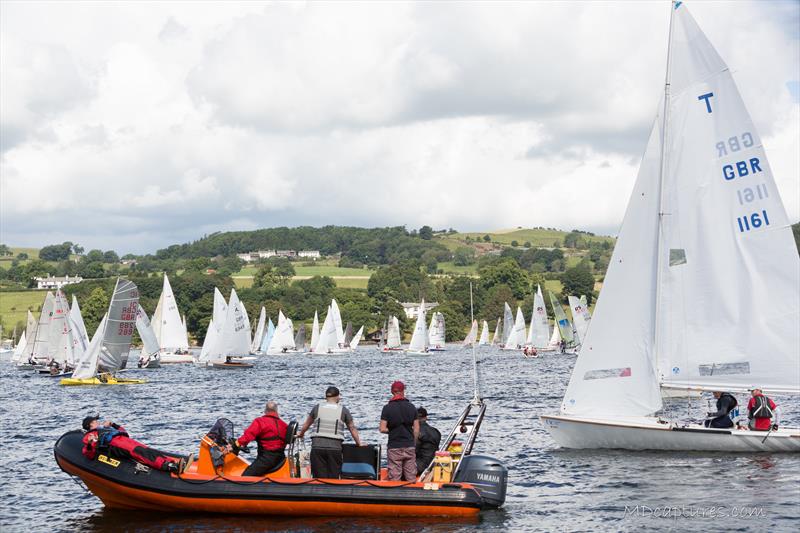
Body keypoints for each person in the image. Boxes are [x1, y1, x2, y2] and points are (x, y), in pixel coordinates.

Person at [296, 386, 363, 479]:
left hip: (317, 447)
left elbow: (306, 425)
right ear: (337, 397)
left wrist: (301, 434)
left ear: (326, 397)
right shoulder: (343, 410)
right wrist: (358, 443)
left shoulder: (317, 408)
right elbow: (352, 428)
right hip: (334, 448)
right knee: (333, 478)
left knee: (318, 478)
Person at [81, 415, 183, 473]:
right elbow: (88, 453)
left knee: (146, 449)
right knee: (139, 452)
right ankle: (168, 466)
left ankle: (171, 461)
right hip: (115, 444)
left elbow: (124, 432)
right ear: (90, 424)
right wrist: (90, 443)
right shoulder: (90, 435)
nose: (98, 422)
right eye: (95, 421)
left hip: (123, 439)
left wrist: (113, 424)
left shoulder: (104, 428)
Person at [230, 401, 289, 476]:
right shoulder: (284, 425)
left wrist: (234, 445)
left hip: (266, 459)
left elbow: (247, 436)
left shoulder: (260, 422)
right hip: (281, 458)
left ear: (265, 411)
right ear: (276, 411)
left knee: (246, 476)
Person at [380, 380, 419, 481]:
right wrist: (413, 443)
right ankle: (413, 495)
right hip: (409, 445)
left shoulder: (387, 408)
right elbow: (416, 429)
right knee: (411, 476)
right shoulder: (412, 407)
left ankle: (394, 495)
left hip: (394, 446)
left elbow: (382, 429)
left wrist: (392, 430)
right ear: (403, 391)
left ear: (392, 392)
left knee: (394, 477)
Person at [415, 407, 441, 475]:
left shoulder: (416, 432)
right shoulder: (436, 431)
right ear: (426, 417)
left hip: (420, 466)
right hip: (434, 464)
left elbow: (414, 450)